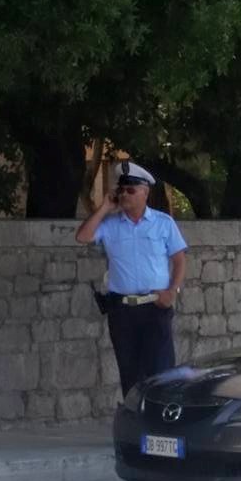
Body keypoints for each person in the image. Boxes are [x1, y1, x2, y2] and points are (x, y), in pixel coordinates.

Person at [76, 161, 187, 397]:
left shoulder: (163, 223)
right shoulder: (110, 225)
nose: (125, 194)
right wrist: (105, 206)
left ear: (145, 193)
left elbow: (179, 259)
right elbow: (83, 236)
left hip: (154, 307)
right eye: (122, 190)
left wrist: (172, 291)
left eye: (131, 190)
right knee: (130, 375)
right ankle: (135, 426)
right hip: (122, 311)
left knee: (161, 372)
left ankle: (161, 426)